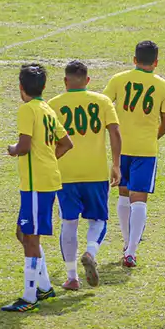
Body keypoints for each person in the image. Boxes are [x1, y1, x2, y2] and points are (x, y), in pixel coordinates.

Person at [1, 64, 74, 313]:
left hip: (36, 183)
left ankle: (29, 297)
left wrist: (12, 149)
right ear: (43, 87)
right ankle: (44, 286)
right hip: (44, 180)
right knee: (23, 234)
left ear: (20, 87)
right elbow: (66, 143)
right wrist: (49, 159)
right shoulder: (47, 109)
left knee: (30, 237)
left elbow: (23, 146)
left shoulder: (28, 109)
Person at [48, 61, 121, 290]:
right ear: (88, 80)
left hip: (66, 173)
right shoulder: (102, 101)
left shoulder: (53, 105)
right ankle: (90, 251)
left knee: (68, 222)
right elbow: (115, 132)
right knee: (98, 220)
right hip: (95, 172)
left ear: (65, 81)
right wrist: (116, 164)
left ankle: (72, 277)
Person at [102, 40, 165, 268]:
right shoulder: (162, 86)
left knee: (123, 194)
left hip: (121, 147)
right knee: (139, 198)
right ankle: (131, 251)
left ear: (134, 59)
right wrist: (152, 137)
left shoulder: (118, 79)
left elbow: (104, 105)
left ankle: (126, 243)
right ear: (156, 62)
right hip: (145, 150)